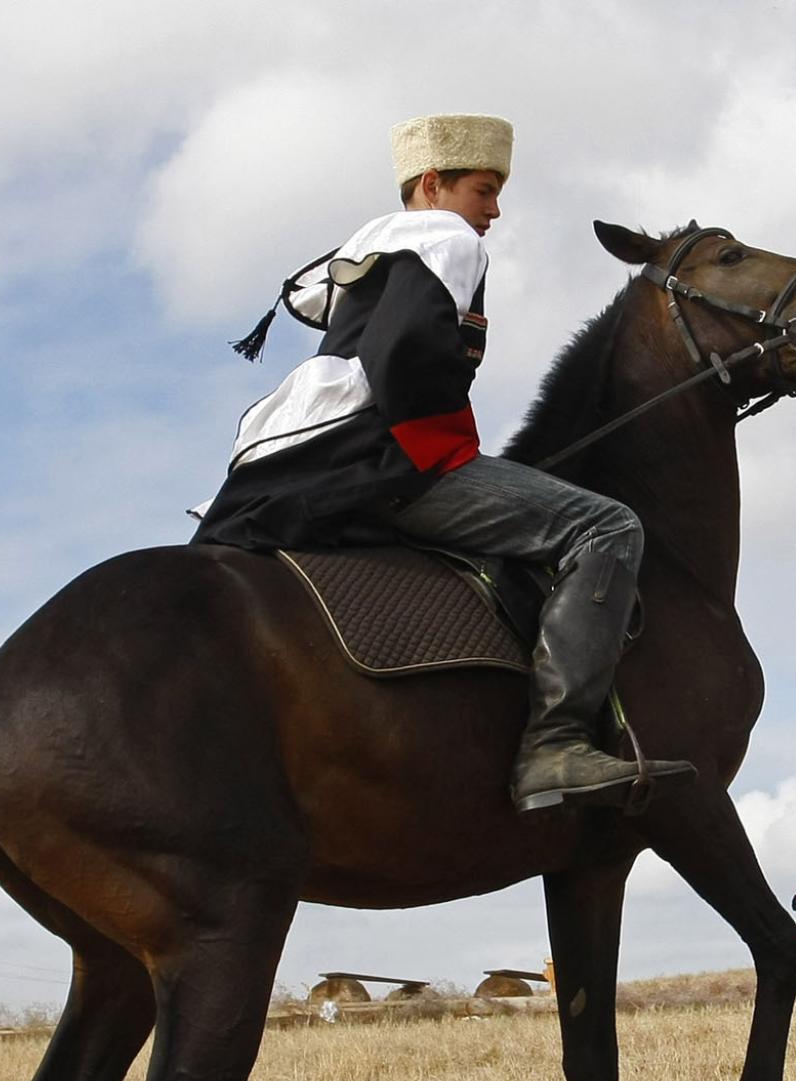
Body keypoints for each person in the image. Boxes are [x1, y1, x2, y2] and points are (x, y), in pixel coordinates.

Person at [193, 114, 694, 814]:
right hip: (372, 462)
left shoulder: (376, 254)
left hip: (285, 467)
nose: (493, 211)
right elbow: (405, 360)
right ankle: (555, 744)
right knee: (606, 526)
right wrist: (446, 454)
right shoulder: (446, 239)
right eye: (484, 190)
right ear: (433, 184)